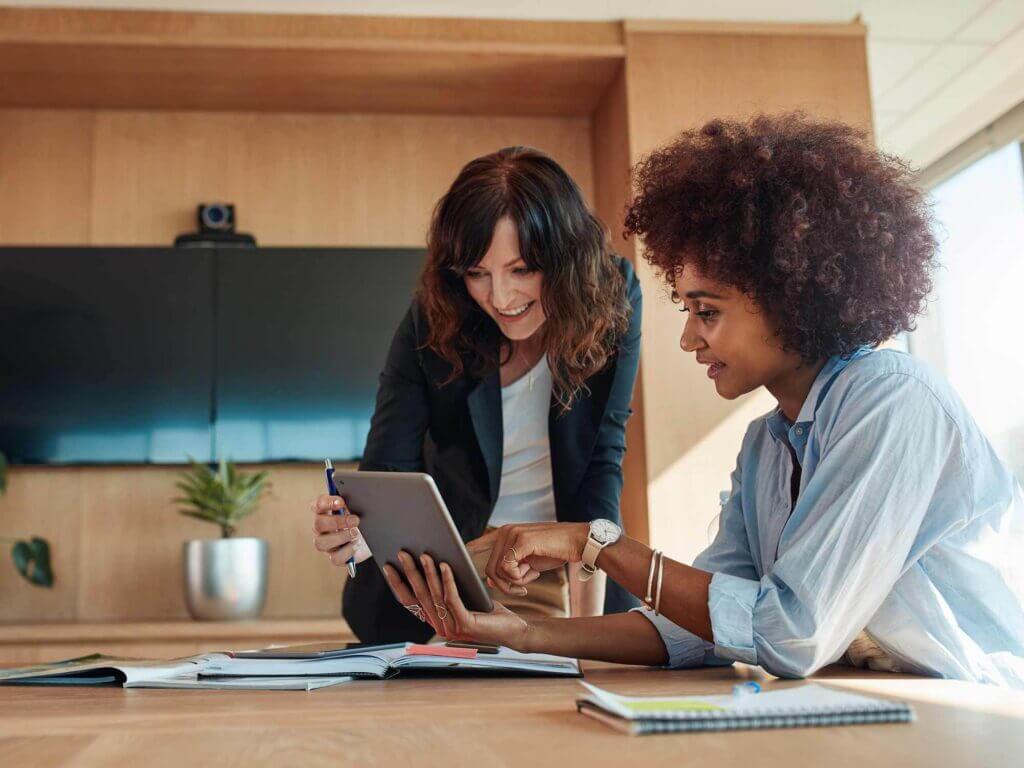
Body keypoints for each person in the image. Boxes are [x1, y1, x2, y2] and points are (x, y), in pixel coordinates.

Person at [372, 114, 1024, 688]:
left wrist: (593, 543)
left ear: (790, 295)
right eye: (688, 309)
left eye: (706, 311)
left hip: (967, 704)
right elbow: (696, 630)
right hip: (865, 700)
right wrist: (522, 634)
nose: (687, 337)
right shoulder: (767, 445)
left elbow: (790, 633)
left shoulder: (892, 401)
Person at [311, 146, 643, 643]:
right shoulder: (435, 314)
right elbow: (387, 469)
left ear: (566, 258)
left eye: (522, 269)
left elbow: (601, 460)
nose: (501, 298)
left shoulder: (612, 297)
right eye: (477, 274)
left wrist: (589, 634)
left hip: (569, 574)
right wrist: (357, 532)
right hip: (445, 581)